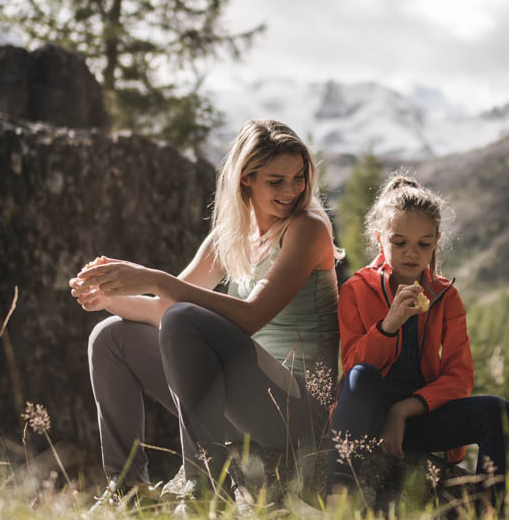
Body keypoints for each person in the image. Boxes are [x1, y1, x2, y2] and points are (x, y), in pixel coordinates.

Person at [73, 119, 340, 492]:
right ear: (246, 179)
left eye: (299, 178)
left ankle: (205, 487)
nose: (292, 190)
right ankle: (127, 488)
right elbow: (164, 312)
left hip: (296, 410)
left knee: (183, 317)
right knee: (110, 337)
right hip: (240, 407)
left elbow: (250, 316)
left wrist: (152, 278)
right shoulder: (230, 236)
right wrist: (108, 297)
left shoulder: (307, 228)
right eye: (276, 181)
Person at [326, 174, 509, 510]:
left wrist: (402, 411)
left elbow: (460, 377)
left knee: (497, 411)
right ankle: (337, 498)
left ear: (436, 242)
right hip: (365, 417)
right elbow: (353, 366)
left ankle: (491, 515)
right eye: (399, 242)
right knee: (361, 375)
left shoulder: (445, 296)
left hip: (418, 418)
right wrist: (389, 325)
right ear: (379, 238)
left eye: (424, 244)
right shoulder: (356, 289)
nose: (411, 253)